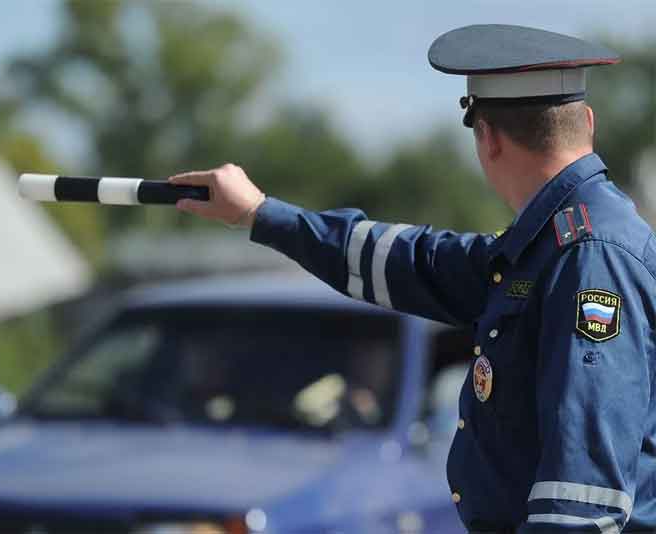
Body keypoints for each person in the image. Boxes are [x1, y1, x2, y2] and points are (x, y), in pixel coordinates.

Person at [167, 24, 656, 533]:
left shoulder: (588, 255)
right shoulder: (550, 245)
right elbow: (413, 261)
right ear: (588, 123)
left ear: (486, 138)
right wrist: (261, 214)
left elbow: (582, 502)